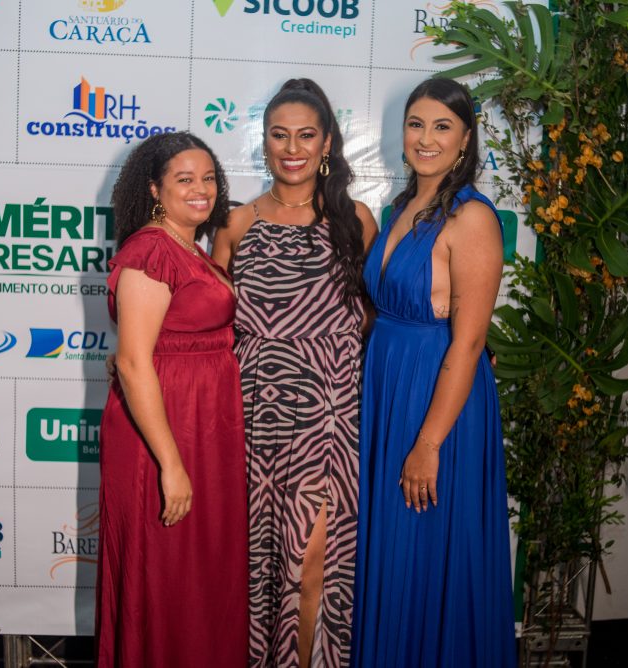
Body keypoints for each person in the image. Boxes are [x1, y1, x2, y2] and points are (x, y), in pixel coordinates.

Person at [351, 78, 517, 666]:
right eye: (416, 124)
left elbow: (469, 344)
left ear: (466, 139)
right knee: (393, 546)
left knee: (426, 546)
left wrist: (428, 444)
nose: (426, 138)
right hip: (389, 388)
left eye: (442, 126)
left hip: (436, 402)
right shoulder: (402, 208)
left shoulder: (472, 218)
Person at [212, 79, 377, 668]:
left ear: (327, 142)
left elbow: (377, 318)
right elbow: (209, 322)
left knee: (314, 567)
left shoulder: (355, 220)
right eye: (279, 135)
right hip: (255, 419)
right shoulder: (235, 223)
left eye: (306, 135)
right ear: (263, 141)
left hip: (328, 423)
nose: (292, 148)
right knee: (257, 571)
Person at [95, 131, 248, 667]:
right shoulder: (150, 251)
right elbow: (134, 363)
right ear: (155, 189)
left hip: (202, 428)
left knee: (197, 574)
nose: (201, 189)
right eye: (184, 180)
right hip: (164, 437)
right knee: (164, 574)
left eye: (208, 178)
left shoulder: (188, 247)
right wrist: (171, 464)